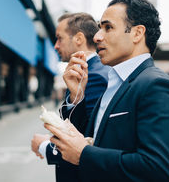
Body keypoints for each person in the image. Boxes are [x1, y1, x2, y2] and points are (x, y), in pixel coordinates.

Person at [45, 0, 169, 182]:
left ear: (137, 33)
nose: (97, 36)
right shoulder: (116, 81)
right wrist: (77, 97)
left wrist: (84, 154)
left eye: (108, 28)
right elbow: (91, 138)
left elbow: (157, 170)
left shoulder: (157, 86)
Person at [31, 13, 110, 182]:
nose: (55, 46)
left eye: (59, 38)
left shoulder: (94, 75)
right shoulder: (90, 71)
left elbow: (88, 139)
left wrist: (45, 146)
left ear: (79, 38)